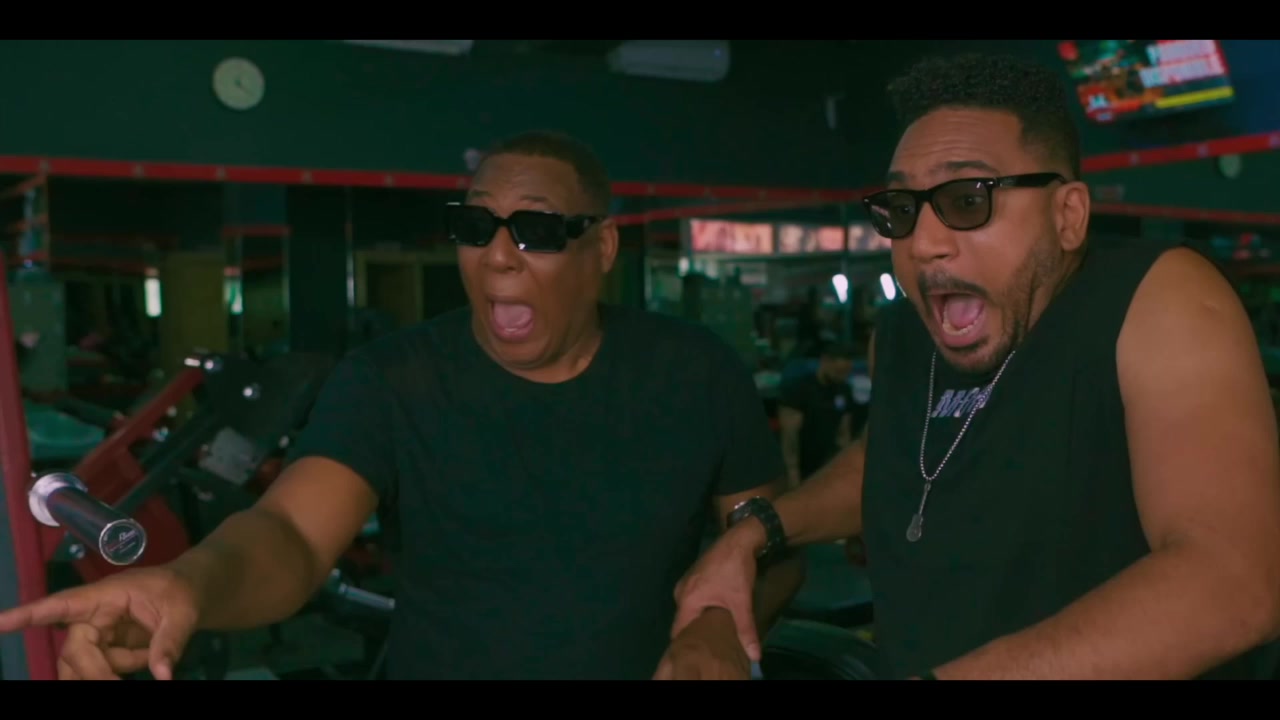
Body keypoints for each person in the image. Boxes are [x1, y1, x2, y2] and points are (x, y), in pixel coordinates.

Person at [0, 130, 805, 680]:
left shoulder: (694, 372)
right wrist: (189, 584)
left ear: (601, 248)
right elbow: (290, 534)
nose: (497, 255)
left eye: (535, 230)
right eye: (476, 225)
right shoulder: (393, 378)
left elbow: (771, 544)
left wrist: (719, 628)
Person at [671, 52, 1280, 680]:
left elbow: (1233, 580)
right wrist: (758, 531)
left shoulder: (1159, 299)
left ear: (1067, 215)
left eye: (968, 199)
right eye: (903, 208)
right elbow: (894, 457)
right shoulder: (902, 333)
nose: (923, 242)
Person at [778, 340, 863, 488]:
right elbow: (790, 437)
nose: (842, 377)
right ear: (825, 362)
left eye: (845, 373)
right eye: (838, 372)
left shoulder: (844, 389)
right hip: (803, 463)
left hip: (827, 464)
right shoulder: (799, 389)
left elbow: (844, 433)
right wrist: (793, 473)